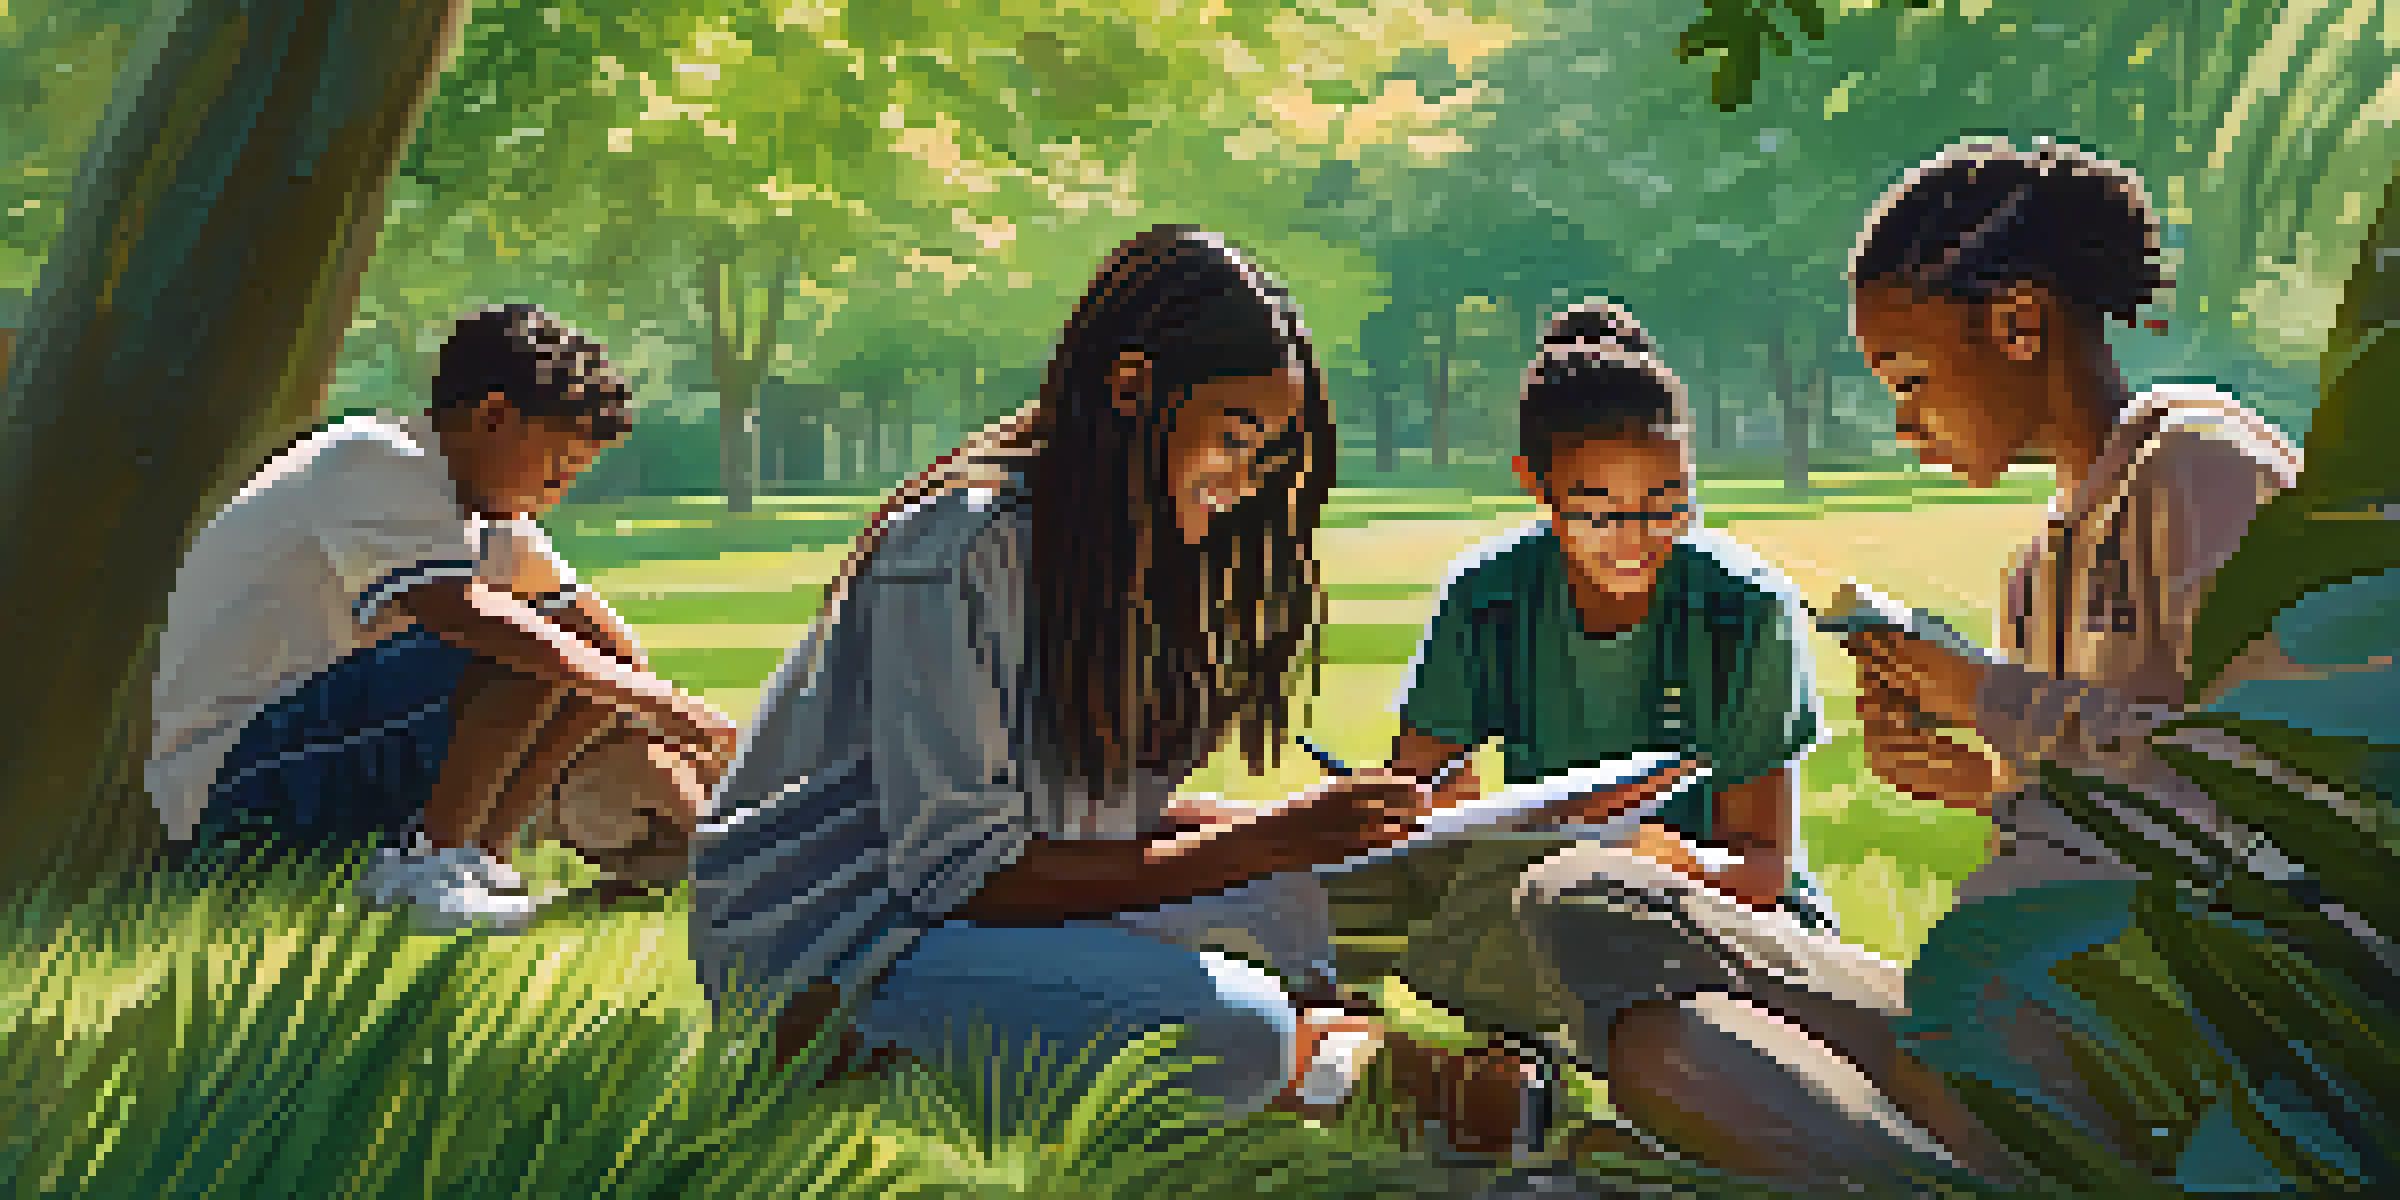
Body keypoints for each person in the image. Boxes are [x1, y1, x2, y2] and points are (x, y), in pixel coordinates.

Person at [685, 228, 1694, 1153]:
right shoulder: (963, 544)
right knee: (1236, 1027)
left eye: (1266, 455)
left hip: (971, 913)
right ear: (1132, 389)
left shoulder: (1113, 545)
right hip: (843, 946)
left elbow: (1078, 821)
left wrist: (1309, 838)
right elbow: (961, 871)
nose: (1245, 479)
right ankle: (1345, 1073)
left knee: (1296, 904)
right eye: (1235, 437)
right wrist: (1267, 840)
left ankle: (1356, 1069)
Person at [1592, 138, 2306, 1188]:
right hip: (2021, 993)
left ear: (2020, 324)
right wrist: (1981, 780)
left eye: (1912, 377)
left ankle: (1950, 1159)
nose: (1902, 420)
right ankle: (1943, 1159)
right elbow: (2104, 793)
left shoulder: (2198, 468)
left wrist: (1983, 693)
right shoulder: (2037, 569)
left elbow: (2266, 787)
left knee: (1769, 1073)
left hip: (2165, 1006)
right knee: (1658, 1035)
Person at [1377, 298, 1884, 1110]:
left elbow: (1762, 864)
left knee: (1688, 1040)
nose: (1635, 537)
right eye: (1600, 511)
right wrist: (1437, 816)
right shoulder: (1488, 597)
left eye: (1667, 502)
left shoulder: (1747, 609)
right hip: (1556, 901)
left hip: (1717, 914)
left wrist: (1672, 864)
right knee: (1446, 933)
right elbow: (1418, 801)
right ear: (1536, 486)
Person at [150, 304, 740, 930]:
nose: (557, 493)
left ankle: (477, 860)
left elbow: (609, 646)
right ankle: (428, 862)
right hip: (235, 777)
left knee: (585, 659)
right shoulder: (375, 460)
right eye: (555, 466)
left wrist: (675, 728)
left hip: (325, 751)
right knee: (528, 645)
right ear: (494, 416)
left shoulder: (481, 515)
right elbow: (465, 617)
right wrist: (669, 707)